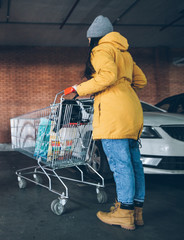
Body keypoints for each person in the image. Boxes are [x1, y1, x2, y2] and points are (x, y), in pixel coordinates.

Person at [64, 15, 147, 230]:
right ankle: (135, 211)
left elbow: (108, 77)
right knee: (134, 163)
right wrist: (123, 90)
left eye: (88, 39)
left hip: (114, 113)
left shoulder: (100, 50)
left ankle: (125, 212)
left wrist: (77, 89)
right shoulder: (124, 52)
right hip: (132, 110)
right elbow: (141, 81)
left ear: (94, 37)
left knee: (120, 165)